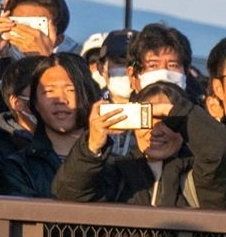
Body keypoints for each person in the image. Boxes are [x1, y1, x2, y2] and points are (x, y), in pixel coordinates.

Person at [52, 79, 226, 207]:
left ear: (184, 128)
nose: (156, 130)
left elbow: (218, 151)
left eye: (167, 121)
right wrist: (92, 146)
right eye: (145, 119)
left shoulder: (201, 176)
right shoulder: (115, 173)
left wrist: (177, 112)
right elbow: (69, 193)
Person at [0, 53, 95, 198]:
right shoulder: (16, 168)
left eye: (71, 90)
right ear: (34, 103)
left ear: (88, 95)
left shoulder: (112, 165)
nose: (60, 100)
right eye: (49, 91)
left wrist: (94, 152)